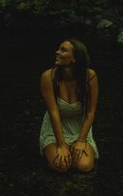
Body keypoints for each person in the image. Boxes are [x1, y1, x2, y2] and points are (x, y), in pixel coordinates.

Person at [39, 38, 99, 173]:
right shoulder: (48, 77)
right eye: (58, 49)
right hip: (55, 128)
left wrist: (81, 140)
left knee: (84, 166)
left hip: (80, 128)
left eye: (63, 50)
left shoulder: (90, 77)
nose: (57, 52)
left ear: (75, 59)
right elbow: (53, 112)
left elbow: (90, 112)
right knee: (61, 166)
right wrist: (61, 144)